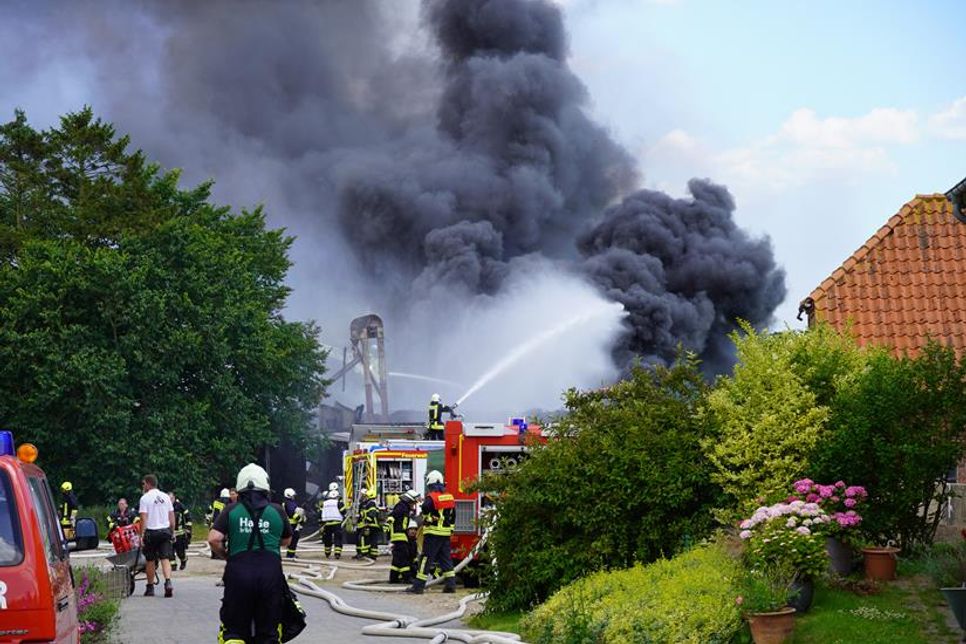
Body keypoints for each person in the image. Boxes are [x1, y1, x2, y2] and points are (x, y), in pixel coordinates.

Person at [208, 463, 291, 643]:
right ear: (265, 487)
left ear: (240, 488)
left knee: (234, 631)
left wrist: (226, 555)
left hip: (238, 575)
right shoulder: (277, 510)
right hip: (270, 576)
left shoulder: (231, 510)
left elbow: (214, 539)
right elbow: (286, 540)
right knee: (269, 632)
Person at [407, 470, 456, 594]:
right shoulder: (449, 497)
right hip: (445, 534)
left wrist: (427, 519)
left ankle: (418, 587)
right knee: (445, 559)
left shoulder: (431, 497)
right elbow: (453, 516)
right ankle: (450, 585)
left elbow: (425, 509)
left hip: (433, 534)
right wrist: (450, 529)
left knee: (425, 559)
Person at [139, 474, 175, 598]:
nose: (143, 486)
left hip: (151, 532)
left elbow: (143, 517)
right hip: (165, 531)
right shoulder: (166, 497)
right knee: (165, 558)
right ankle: (168, 583)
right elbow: (171, 516)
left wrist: (141, 535)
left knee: (150, 560)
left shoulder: (145, 498)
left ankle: (150, 588)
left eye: (143, 484)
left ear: (148, 484)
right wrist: (172, 531)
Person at [387, 489, 419, 583]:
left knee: (397, 558)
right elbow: (392, 516)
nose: (413, 505)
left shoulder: (404, 507)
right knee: (404, 557)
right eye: (413, 503)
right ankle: (407, 577)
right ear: (409, 500)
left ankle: (393, 578)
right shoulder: (401, 507)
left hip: (401, 535)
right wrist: (388, 523)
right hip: (399, 535)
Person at [318, 490, 344, 559]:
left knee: (327, 539)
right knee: (338, 538)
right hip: (337, 523)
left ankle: (327, 553)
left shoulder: (324, 503)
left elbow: (319, 514)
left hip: (327, 524)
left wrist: (320, 524)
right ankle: (337, 554)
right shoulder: (339, 503)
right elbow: (343, 511)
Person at [170, 492, 192, 571]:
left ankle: (184, 560)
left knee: (180, 552)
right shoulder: (165, 507)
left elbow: (188, 518)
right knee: (170, 551)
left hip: (180, 534)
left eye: (171, 498)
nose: (170, 500)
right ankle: (173, 565)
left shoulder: (180, 506)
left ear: (174, 498)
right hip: (169, 534)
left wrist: (188, 529)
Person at [355, 488, 380, 559]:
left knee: (367, 538)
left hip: (371, 524)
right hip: (369, 524)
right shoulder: (367, 503)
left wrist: (367, 522)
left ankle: (367, 554)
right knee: (370, 539)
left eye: (365, 496)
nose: (363, 497)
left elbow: (372, 513)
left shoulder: (371, 503)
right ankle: (369, 554)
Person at [282, 488, 305, 559]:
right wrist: (300, 520)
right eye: (293, 495)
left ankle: (290, 554)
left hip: (289, 523)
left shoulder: (286, 503)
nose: (294, 497)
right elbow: (292, 513)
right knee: (294, 539)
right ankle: (290, 555)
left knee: (293, 539)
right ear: (289, 495)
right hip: (292, 524)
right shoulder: (289, 503)